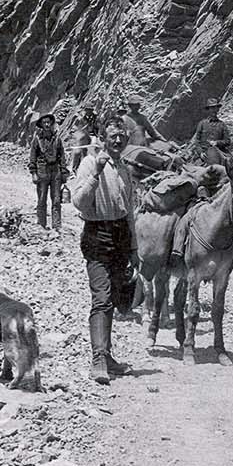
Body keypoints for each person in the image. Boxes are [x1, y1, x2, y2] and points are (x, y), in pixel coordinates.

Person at [72, 118, 138, 384]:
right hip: (97, 234)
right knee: (101, 297)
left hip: (121, 235)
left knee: (115, 297)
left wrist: (133, 247)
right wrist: (96, 174)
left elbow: (129, 210)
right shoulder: (89, 163)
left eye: (122, 136)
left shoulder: (124, 168)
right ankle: (98, 358)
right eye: (113, 136)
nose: (119, 140)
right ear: (101, 138)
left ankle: (107, 356)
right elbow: (78, 202)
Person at [28, 111, 66, 230]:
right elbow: (32, 157)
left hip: (55, 171)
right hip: (42, 170)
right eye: (44, 122)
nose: (47, 125)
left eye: (48, 122)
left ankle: (57, 225)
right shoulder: (37, 140)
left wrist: (64, 172)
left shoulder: (57, 139)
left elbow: (62, 156)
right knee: (42, 199)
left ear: (51, 123)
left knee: (56, 200)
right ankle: (41, 224)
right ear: (41, 125)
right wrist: (33, 173)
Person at [191, 98, 233, 181]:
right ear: (208, 110)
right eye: (212, 108)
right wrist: (200, 153)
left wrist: (217, 142)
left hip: (219, 153)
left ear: (218, 109)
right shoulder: (202, 123)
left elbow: (227, 141)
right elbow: (197, 141)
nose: (214, 110)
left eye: (215, 108)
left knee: (231, 166)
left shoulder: (222, 125)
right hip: (204, 155)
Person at [70, 107, 98, 174]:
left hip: (92, 135)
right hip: (82, 135)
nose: (89, 111)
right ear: (85, 110)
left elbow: (97, 126)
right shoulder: (80, 118)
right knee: (78, 151)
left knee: (94, 150)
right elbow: (74, 127)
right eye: (88, 110)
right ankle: (75, 169)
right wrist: (75, 133)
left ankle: (91, 168)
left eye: (90, 110)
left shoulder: (94, 117)